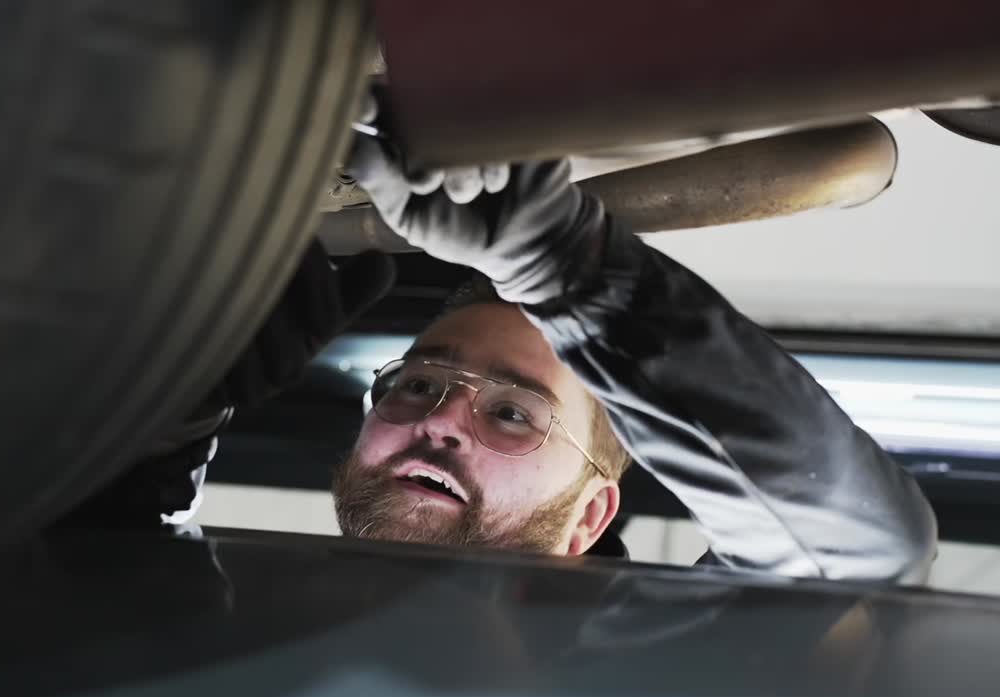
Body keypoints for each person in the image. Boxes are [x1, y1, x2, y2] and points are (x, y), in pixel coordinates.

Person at [59, 124, 937, 584]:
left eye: (512, 412)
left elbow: (855, 559)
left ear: (593, 516)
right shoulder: (231, 645)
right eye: (415, 385)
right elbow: (62, 588)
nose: (438, 416)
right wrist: (164, 415)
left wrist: (562, 262)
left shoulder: (637, 686)